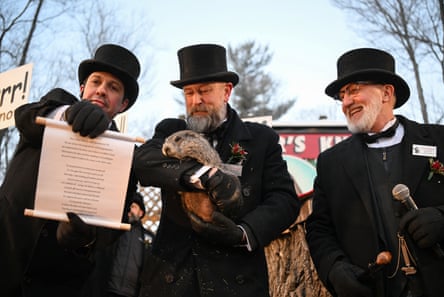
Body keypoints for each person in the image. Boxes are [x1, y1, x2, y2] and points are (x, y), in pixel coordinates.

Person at [134, 43, 299, 297]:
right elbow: (145, 162)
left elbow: (284, 200)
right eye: (188, 93)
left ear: (227, 92)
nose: (195, 100)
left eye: (204, 91)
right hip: (173, 279)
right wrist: (200, 176)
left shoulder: (259, 139)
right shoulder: (170, 130)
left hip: (236, 279)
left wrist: (243, 233)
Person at [0, 43, 141, 297]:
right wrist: (66, 115)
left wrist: (83, 238)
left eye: (113, 87)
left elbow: (110, 232)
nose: (102, 90)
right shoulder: (56, 107)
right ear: (82, 88)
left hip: (58, 283)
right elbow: (24, 117)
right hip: (7, 255)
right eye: (96, 81)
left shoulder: (123, 156)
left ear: (123, 104)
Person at [305, 48, 444, 297]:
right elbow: (320, 230)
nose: (346, 102)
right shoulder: (331, 162)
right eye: (342, 95)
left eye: (354, 89)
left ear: (386, 93)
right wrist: (335, 268)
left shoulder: (440, 140)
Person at [104, 192, 152, 297]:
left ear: (141, 213)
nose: (130, 209)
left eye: (134, 206)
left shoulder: (148, 237)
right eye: (128, 206)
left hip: (132, 293)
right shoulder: (115, 230)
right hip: (108, 290)